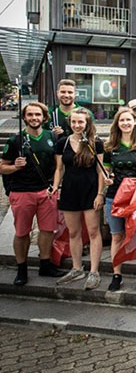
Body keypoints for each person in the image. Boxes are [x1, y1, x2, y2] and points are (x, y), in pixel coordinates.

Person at [1, 102, 64, 285]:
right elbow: (2, 167)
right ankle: (22, 268)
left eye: (37, 114)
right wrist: (14, 166)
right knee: (22, 232)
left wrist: (55, 185)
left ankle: (45, 264)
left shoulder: (52, 137)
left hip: (46, 192)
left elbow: (58, 166)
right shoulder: (15, 141)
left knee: (47, 230)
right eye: (30, 115)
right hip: (22, 192)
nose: (34, 118)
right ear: (24, 118)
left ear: (44, 117)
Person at [103, 107, 136, 291]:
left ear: (135, 122)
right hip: (115, 196)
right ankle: (116, 274)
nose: (125, 123)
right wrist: (106, 179)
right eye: (122, 120)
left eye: (129, 120)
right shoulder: (110, 146)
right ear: (117, 124)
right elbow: (106, 170)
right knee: (117, 236)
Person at [51, 108, 105, 290]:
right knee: (73, 232)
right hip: (69, 190)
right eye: (74, 122)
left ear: (87, 123)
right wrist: (55, 187)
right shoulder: (62, 143)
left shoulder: (95, 143)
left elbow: (100, 171)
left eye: (80, 122)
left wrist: (100, 194)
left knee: (93, 231)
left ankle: (94, 271)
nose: (77, 125)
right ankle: (76, 267)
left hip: (90, 191)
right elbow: (59, 168)